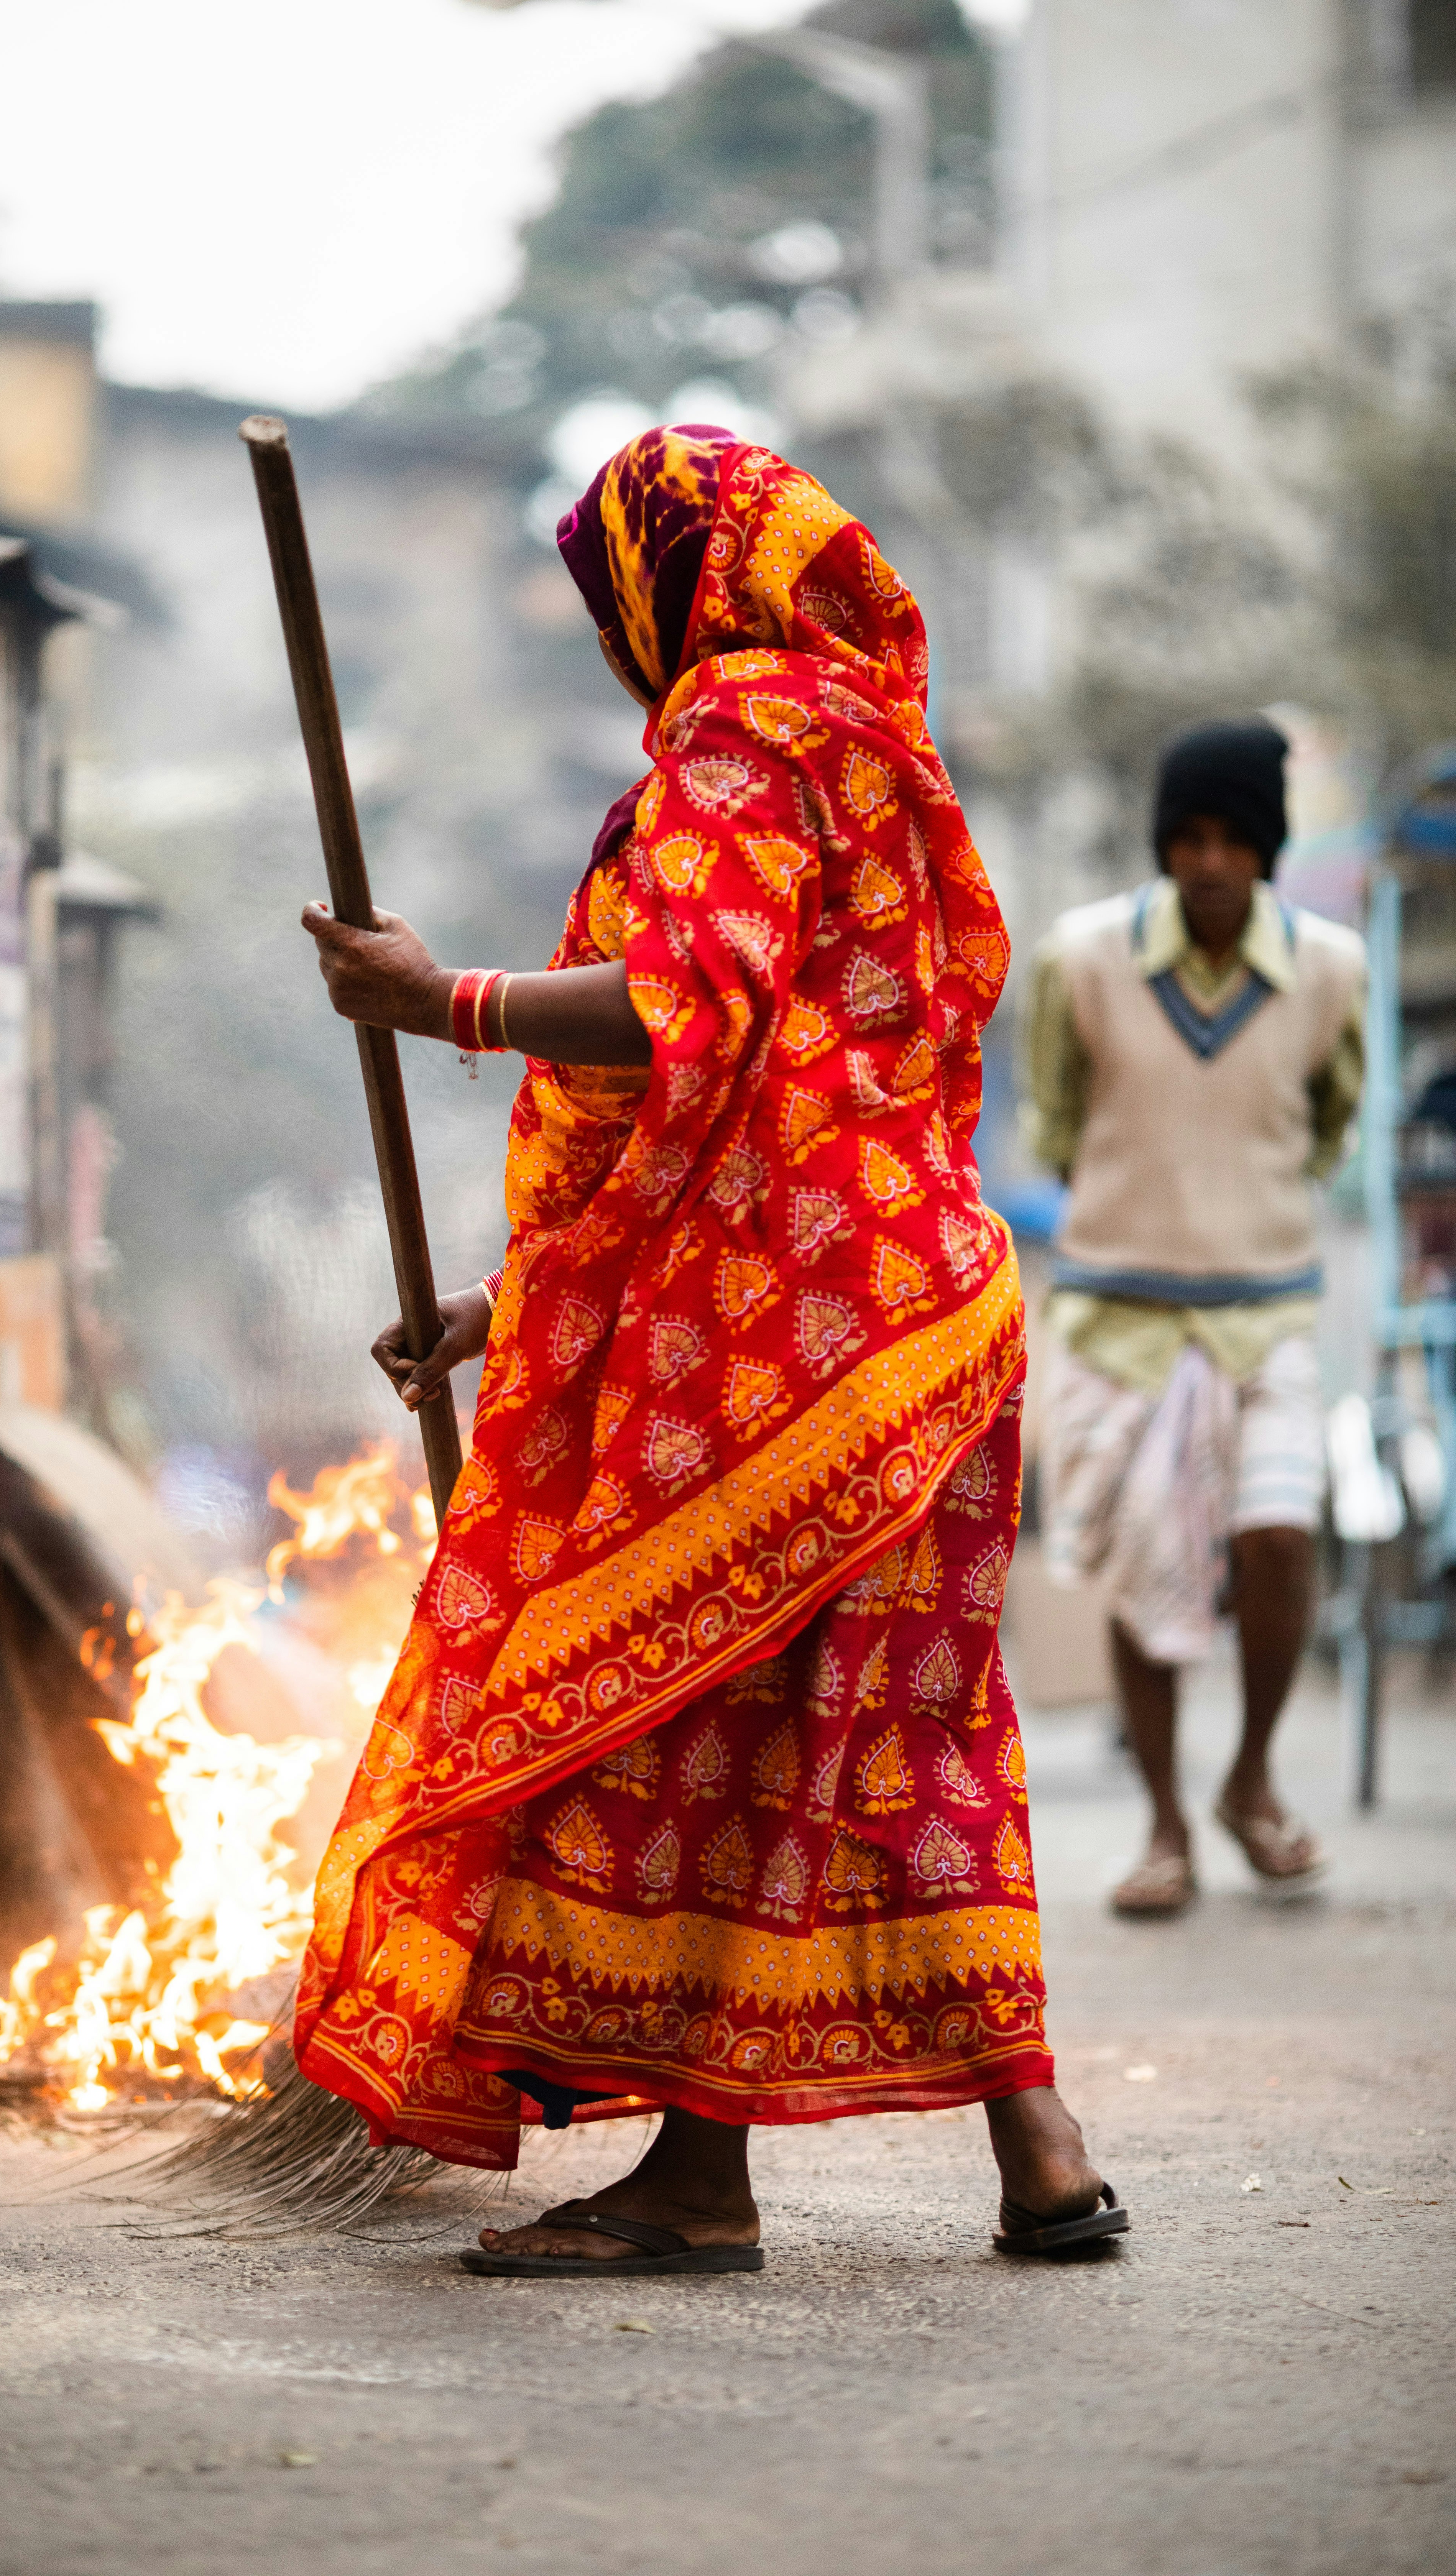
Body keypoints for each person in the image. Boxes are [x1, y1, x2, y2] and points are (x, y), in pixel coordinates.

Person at [297, 424, 1121, 2276]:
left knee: (686, 1733)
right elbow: (780, 1094)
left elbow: (690, 1003)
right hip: (928, 1318)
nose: (615, 640)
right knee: (900, 1747)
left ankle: (697, 2183)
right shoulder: (879, 742)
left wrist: (450, 1001)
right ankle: (1041, 2150)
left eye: (613, 600)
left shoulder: (746, 724)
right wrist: (510, 1314)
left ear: (669, 587)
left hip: (803, 1354)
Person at [1024, 718, 1366, 1919]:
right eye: (1190, 837)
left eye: (1233, 839)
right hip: (1121, 1313)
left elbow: (1331, 1122)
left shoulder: (1330, 968)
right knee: (1145, 1574)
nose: (1211, 861)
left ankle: (1252, 1780)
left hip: (1266, 1308)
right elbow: (1056, 1126)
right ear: (1165, 845)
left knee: (1281, 1535)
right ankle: (1165, 1823)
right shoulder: (1083, 958)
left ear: (1266, 850)